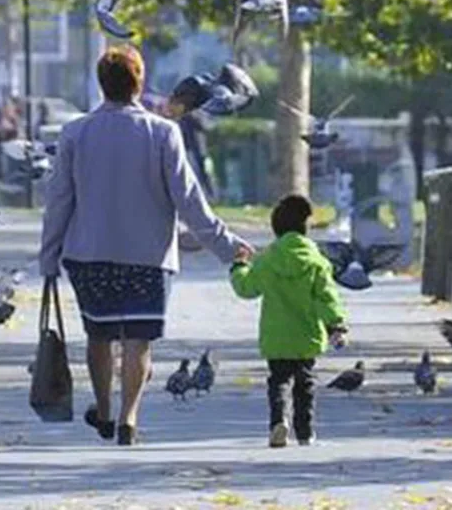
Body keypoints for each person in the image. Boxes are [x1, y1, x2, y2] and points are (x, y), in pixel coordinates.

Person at [39, 45, 253, 446]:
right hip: (149, 258)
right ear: (139, 83)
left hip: (90, 255)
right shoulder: (163, 133)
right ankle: (129, 417)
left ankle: (104, 409)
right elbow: (190, 201)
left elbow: (59, 201)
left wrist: (48, 257)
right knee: (138, 339)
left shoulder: (75, 133)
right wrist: (227, 246)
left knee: (99, 336)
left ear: (101, 84)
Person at [229, 194, 349, 448]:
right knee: (305, 382)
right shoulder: (317, 262)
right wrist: (336, 325)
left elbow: (247, 288)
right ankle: (305, 431)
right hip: (307, 335)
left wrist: (239, 267)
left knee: (279, 381)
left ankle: (278, 421)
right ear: (305, 228)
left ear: (277, 229)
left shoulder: (268, 259)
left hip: (277, 336)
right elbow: (327, 298)